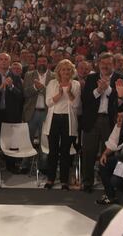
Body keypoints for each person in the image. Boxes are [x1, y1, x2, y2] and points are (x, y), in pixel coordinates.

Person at [81, 52, 123, 192]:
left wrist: (107, 90)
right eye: (103, 63)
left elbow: (122, 100)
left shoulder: (121, 78)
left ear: (113, 65)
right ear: (98, 64)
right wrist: (97, 91)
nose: (105, 66)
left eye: (108, 64)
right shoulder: (91, 78)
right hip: (92, 120)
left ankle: (108, 183)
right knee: (88, 152)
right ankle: (87, 182)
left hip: (111, 121)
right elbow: (85, 99)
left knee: (108, 153)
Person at [43, 59, 81, 190]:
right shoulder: (52, 83)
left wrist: (69, 92)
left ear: (72, 71)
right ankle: (50, 179)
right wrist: (59, 94)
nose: (66, 72)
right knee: (52, 151)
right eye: (63, 69)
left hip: (68, 121)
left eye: (68, 69)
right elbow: (48, 103)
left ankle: (64, 181)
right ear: (58, 71)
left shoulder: (75, 84)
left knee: (65, 152)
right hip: (54, 119)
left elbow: (76, 105)